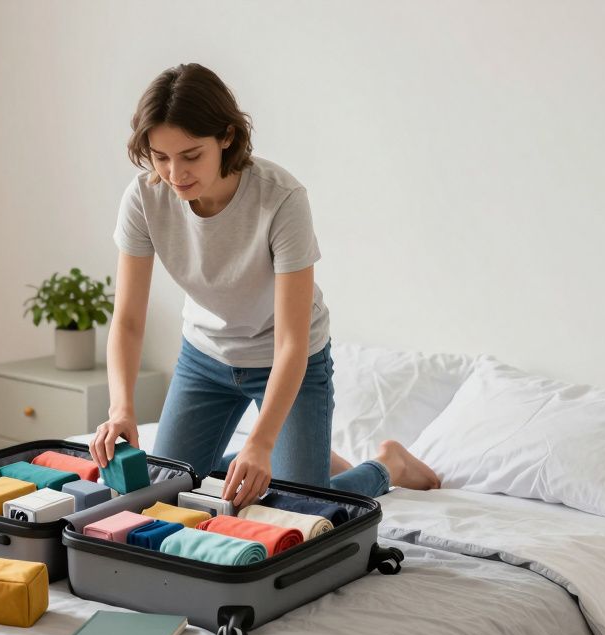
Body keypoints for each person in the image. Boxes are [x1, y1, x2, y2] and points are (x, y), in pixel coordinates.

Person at [89, 63, 440, 509]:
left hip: (288, 361)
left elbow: (292, 342)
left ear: (227, 137)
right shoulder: (143, 197)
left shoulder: (281, 199)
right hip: (205, 360)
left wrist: (261, 442)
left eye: (191, 155)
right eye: (161, 156)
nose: (175, 174)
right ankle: (302, 460)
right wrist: (121, 408)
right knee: (162, 497)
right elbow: (129, 320)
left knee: (293, 512)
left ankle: (387, 465)